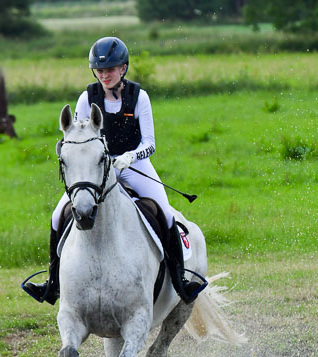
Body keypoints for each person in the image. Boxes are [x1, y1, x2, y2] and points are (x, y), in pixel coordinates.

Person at [23, 36, 204, 305]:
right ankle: (53, 283)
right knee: (56, 216)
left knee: (165, 214)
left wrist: (131, 157)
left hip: (134, 165)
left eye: (110, 70)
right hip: (98, 169)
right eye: (100, 70)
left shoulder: (139, 97)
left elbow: (150, 143)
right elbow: (80, 135)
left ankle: (180, 280)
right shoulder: (87, 97)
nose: (104, 75)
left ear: (123, 69)